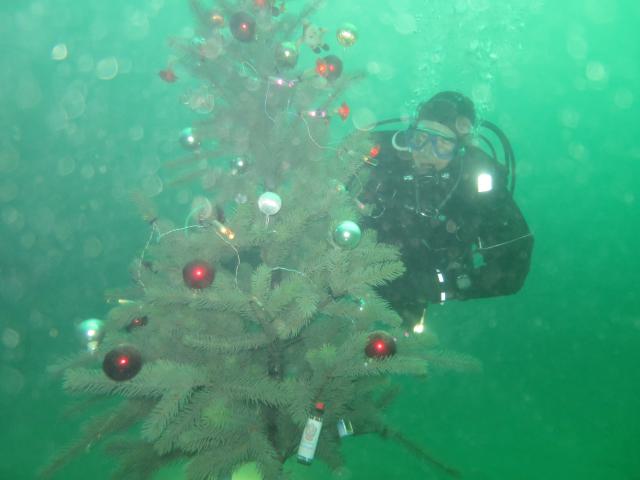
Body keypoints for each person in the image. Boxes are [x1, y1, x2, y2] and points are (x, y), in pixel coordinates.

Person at [355, 91, 534, 329]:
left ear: (460, 149)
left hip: (418, 290)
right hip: (352, 267)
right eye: (420, 138)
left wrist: (447, 286)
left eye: (442, 144)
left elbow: (513, 266)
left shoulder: (476, 185)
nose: (427, 152)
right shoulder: (382, 157)